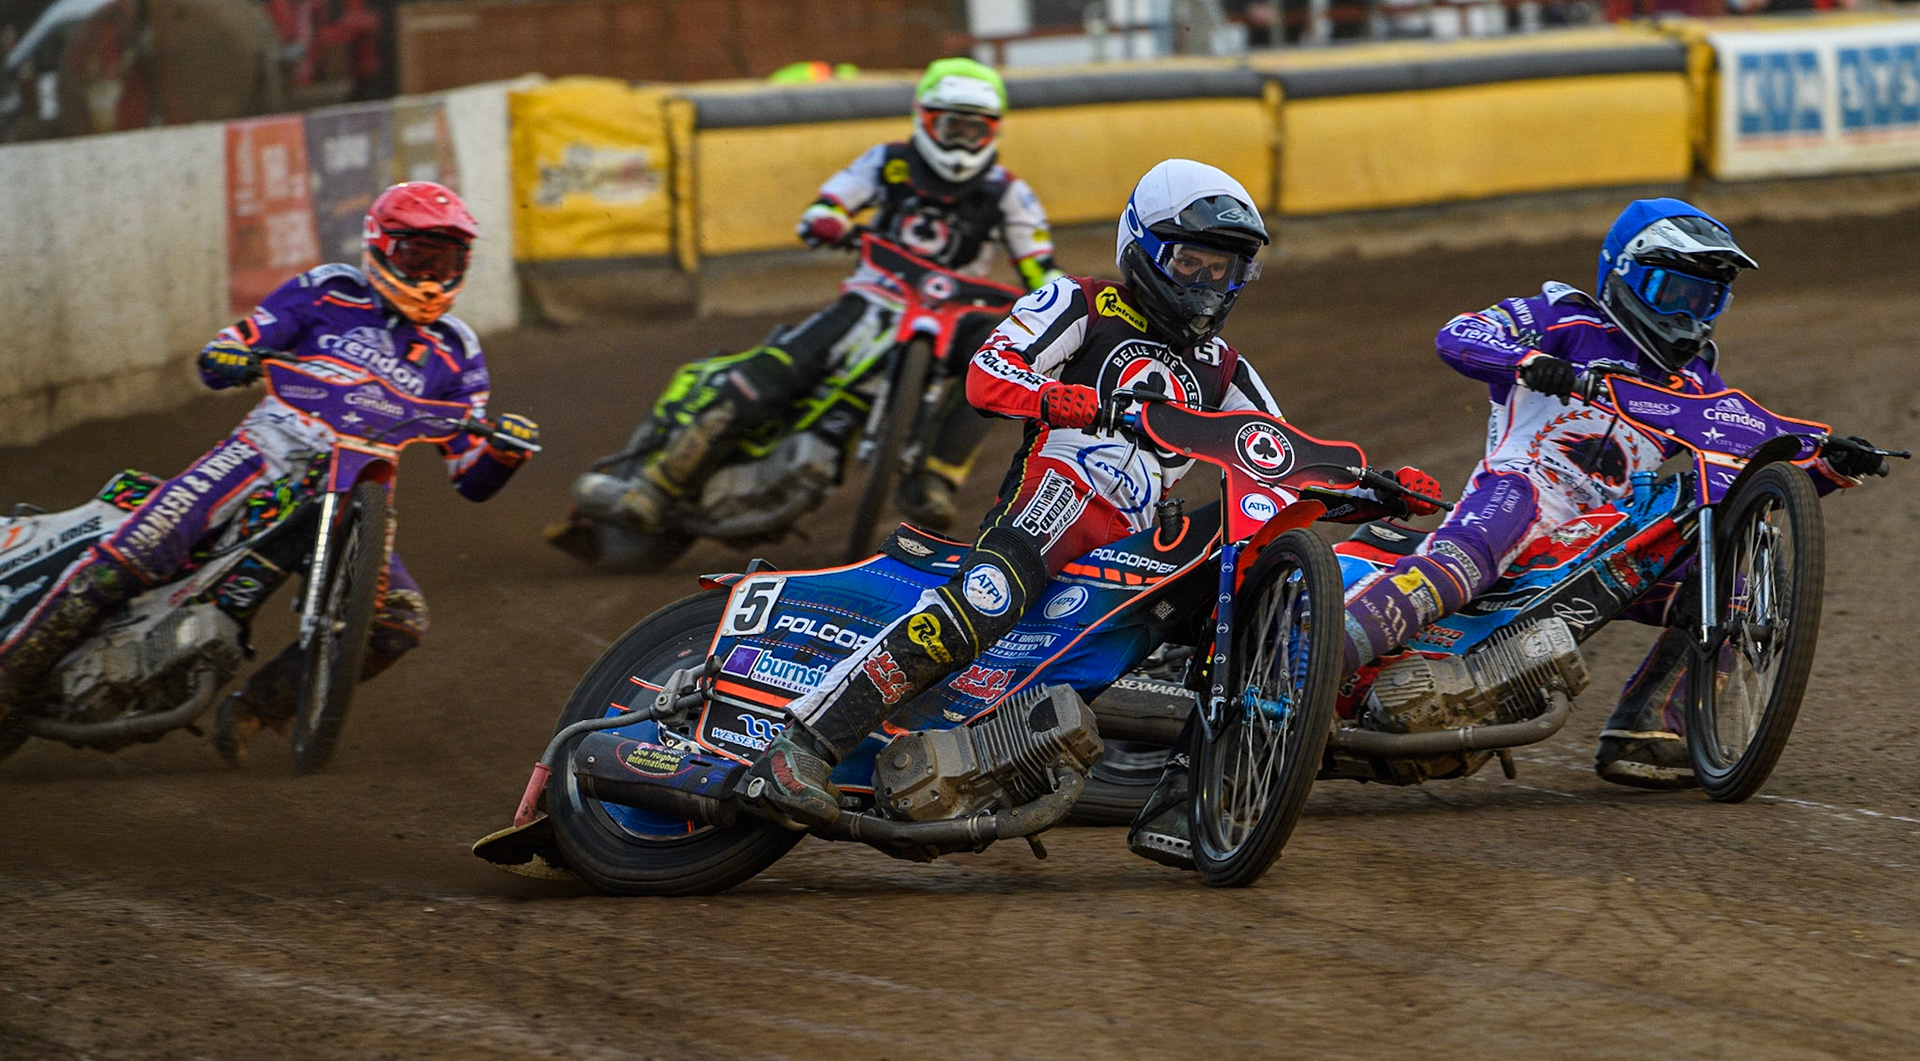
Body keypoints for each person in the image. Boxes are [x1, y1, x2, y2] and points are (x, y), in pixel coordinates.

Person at [735, 158, 1443, 839]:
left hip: (1135, 544)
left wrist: (1375, 491)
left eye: (1221, 269)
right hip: (1052, 501)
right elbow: (987, 372)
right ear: (1144, 248)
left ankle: (1189, 794)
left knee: (1238, 595)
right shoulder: (1079, 301)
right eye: (1189, 262)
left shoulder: (1224, 367)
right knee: (985, 599)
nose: (1204, 283)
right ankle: (800, 747)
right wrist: (1052, 397)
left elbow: (1281, 459)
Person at [1340, 197, 1885, 788]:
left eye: (1705, 299)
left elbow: (1749, 468)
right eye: (1674, 292)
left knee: (1736, 581)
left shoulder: (1696, 381)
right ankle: (1320, 658)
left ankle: (1651, 733)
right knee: (1481, 543)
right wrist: (1530, 363)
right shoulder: (1566, 320)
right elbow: (1459, 334)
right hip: (1524, 488)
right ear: (1624, 274)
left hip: (1600, 536)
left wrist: (1829, 464)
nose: (1689, 314)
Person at [0, 181, 540, 762]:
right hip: (265, 451)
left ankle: (259, 707)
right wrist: (230, 354)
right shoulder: (328, 290)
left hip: (357, 487)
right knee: (142, 546)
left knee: (399, 620)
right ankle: (11, 678)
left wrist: (506, 450)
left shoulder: (457, 349)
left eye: (447, 261)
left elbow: (470, 474)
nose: (432, 275)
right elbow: (236, 345)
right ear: (382, 247)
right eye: (419, 257)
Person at [563, 56, 1063, 542]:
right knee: (778, 368)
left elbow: (1039, 262)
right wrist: (827, 217)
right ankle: (659, 484)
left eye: (974, 131)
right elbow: (835, 199)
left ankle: (936, 475)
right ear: (925, 119)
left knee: (997, 362)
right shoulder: (887, 161)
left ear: (993, 132)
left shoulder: (1009, 192)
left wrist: (1056, 297)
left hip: (956, 315)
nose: (961, 142)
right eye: (952, 127)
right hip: (875, 297)